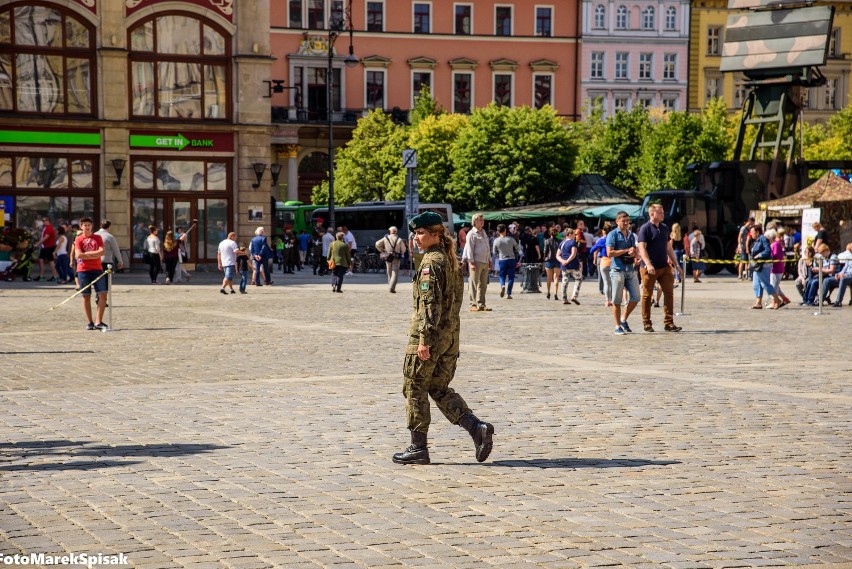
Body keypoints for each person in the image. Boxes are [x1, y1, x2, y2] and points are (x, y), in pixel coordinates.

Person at [392, 211, 494, 466]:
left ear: (436, 234)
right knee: (437, 387)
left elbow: (430, 303)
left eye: (422, 233)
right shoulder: (449, 260)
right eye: (415, 233)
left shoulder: (431, 263)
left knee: (414, 386)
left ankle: (418, 447)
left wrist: (424, 339)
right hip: (449, 336)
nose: (417, 238)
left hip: (430, 336)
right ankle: (477, 428)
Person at [637, 203, 683, 332]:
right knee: (647, 295)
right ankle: (647, 323)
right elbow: (642, 248)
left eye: (663, 212)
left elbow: (669, 248)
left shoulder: (664, 228)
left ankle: (669, 323)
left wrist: (676, 265)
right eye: (660, 213)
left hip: (664, 267)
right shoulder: (645, 228)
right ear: (652, 214)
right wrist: (648, 264)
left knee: (669, 294)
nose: (663, 215)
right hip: (649, 268)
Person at [606, 211, 640, 335]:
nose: (626, 223)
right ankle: (617, 326)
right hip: (617, 269)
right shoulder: (612, 234)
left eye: (627, 221)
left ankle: (623, 318)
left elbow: (635, 251)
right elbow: (609, 253)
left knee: (636, 297)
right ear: (617, 221)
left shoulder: (631, 235)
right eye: (623, 221)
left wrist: (633, 252)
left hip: (630, 269)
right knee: (617, 300)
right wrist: (626, 250)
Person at [74, 217, 108, 330]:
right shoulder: (78, 239)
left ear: (92, 226)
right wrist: (94, 254)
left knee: (103, 294)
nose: (87, 227)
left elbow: (102, 251)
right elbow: (78, 255)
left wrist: (87, 254)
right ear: (81, 226)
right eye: (85, 225)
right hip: (83, 270)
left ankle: (99, 321)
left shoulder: (97, 237)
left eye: (89, 225)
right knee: (86, 296)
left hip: (97, 269)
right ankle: (90, 322)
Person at [461, 213, 492, 312]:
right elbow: (469, 249)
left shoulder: (484, 232)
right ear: (475, 222)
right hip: (476, 261)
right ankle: (472, 304)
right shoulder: (471, 234)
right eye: (480, 220)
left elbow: (487, 247)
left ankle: (482, 304)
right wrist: (471, 262)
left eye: (483, 220)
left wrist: (489, 260)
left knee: (483, 284)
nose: (483, 222)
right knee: (473, 283)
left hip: (485, 261)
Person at [749, 224, 784, 309]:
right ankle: (758, 302)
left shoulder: (763, 239)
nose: (751, 234)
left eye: (752, 232)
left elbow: (767, 250)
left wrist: (759, 255)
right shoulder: (756, 241)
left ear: (757, 232)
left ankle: (777, 300)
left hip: (764, 265)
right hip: (757, 266)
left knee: (764, 284)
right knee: (756, 284)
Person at [375, 226, 407, 293]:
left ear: (390, 231)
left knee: (389, 272)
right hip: (396, 257)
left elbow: (377, 244)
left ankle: (390, 285)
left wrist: (382, 250)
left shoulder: (385, 238)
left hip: (388, 256)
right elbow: (404, 249)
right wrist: (400, 252)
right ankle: (392, 287)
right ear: (396, 232)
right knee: (395, 272)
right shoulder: (399, 239)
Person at [492, 224, 519, 300]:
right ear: (505, 230)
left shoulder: (496, 240)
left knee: (501, 275)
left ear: (498, 231)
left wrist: (498, 255)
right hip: (511, 259)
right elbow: (517, 248)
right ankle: (508, 293)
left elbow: (494, 252)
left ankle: (502, 285)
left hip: (502, 260)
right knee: (511, 277)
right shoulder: (511, 239)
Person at [556, 228, 582, 305]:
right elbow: (573, 254)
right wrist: (567, 261)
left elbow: (557, 255)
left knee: (564, 282)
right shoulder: (573, 242)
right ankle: (574, 296)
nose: (575, 236)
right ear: (570, 234)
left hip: (564, 266)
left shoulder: (562, 243)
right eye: (574, 234)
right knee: (578, 279)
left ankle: (564, 298)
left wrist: (562, 261)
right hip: (573, 265)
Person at [768, 228, 791, 307]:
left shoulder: (775, 244)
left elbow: (775, 257)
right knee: (776, 285)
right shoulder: (776, 244)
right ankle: (784, 299)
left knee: (773, 286)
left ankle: (775, 302)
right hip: (776, 268)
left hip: (776, 269)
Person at [825, 242, 852, 307]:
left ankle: (838, 301)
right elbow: (845, 268)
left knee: (843, 279)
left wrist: (846, 275)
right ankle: (820, 300)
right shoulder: (850, 258)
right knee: (827, 280)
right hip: (845, 275)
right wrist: (839, 274)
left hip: (850, 276)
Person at [33, 216, 58, 282]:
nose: (44, 222)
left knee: (51, 261)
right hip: (44, 247)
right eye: (43, 220)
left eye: (45, 220)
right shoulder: (45, 228)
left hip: (49, 247)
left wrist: (37, 244)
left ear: (48, 221)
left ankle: (55, 276)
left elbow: (45, 238)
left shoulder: (49, 228)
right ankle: (41, 276)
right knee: (41, 260)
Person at [542, 226, 561, 300]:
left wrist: (544, 258)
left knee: (549, 278)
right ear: (557, 233)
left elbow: (545, 251)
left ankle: (548, 293)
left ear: (550, 233)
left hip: (549, 260)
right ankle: (556, 294)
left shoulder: (547, 240)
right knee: (556, 278)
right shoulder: (559, 241)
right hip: (557, 260)